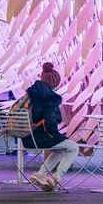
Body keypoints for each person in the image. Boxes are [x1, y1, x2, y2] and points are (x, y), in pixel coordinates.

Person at [24, 63, 80, 191]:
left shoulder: (29, 94)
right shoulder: (50, 98)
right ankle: (57, 177)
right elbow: (50, 124)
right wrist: (56, 134)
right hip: (40, 137)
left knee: (61, 148)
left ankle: (41, 173)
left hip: (26, 136)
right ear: (56, 83)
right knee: (73, 148)